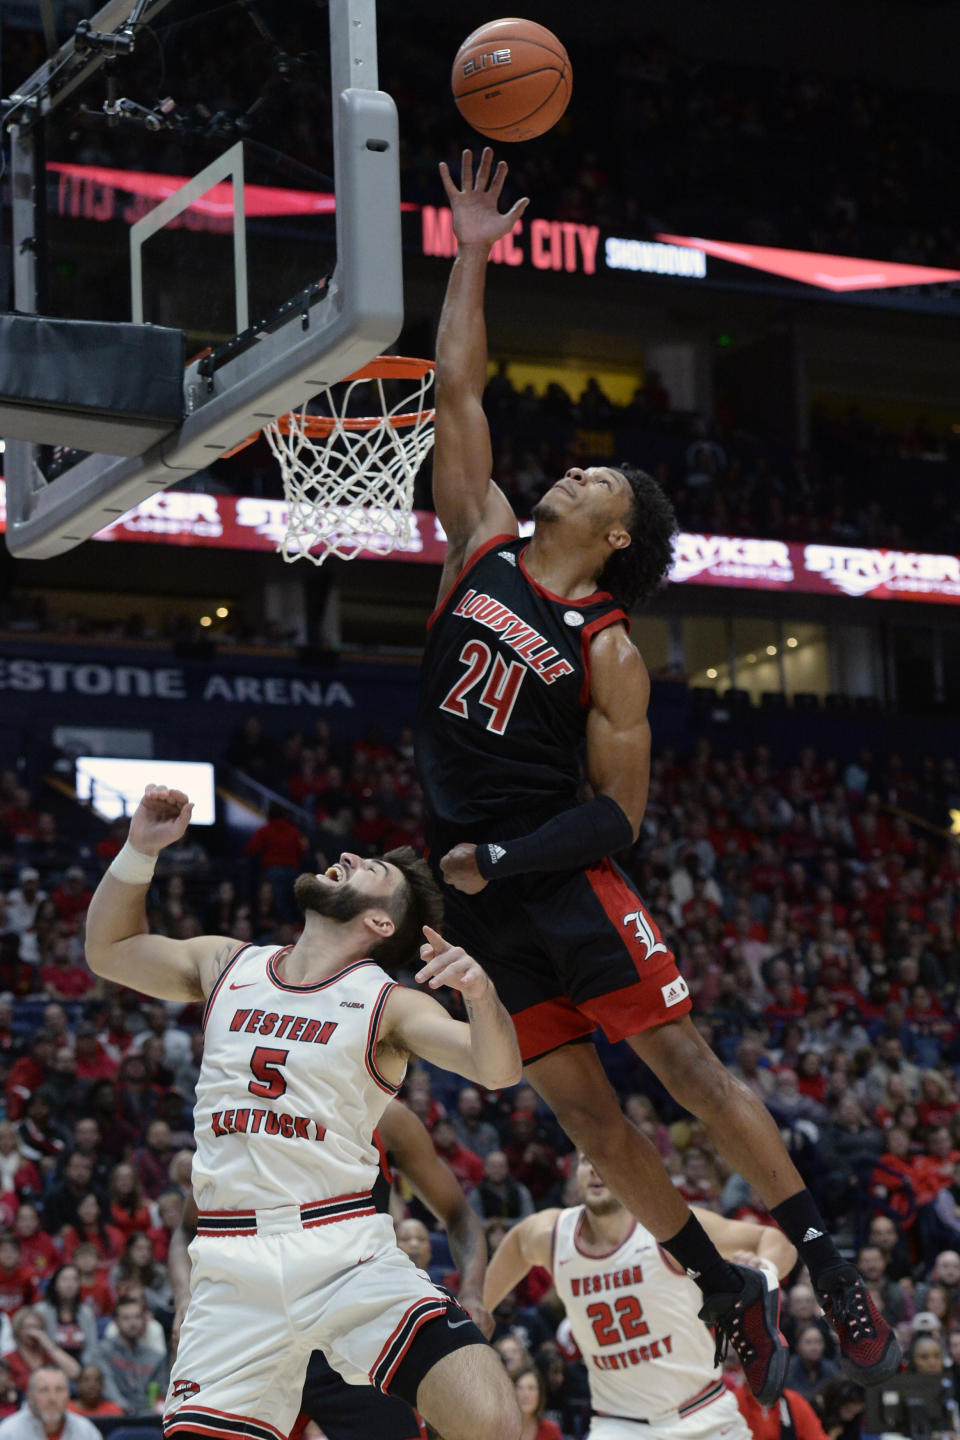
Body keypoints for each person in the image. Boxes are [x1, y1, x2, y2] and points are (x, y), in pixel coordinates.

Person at [417, 144, 898, 1402]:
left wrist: (509, 859)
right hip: (477, 901)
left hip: (556, 879)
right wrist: (470, 254)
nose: (569, 472)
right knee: (587, 1122)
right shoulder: (482, 544)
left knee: (687, 1070)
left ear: (615, 533)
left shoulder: (609, 650)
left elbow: (617, 815)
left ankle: (825, 1252)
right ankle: (720, 1279)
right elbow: (454, 391)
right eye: (570, 471)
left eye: (595, 480)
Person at [84, 783, 522, 1440]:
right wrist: (139, 852)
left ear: (380, 923)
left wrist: (482, 994)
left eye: (368, 868)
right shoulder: (227, 963)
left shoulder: (388, 1004)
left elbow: (496, 1068)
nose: (346, 855)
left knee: (490, 1419)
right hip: (232, 1262)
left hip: (342, 1246)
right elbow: (109, 952)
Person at [171, 1097, 494, 1440]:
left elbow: (459, 1215)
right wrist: (183, 1297)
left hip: (354, 1332)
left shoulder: (386, 1117)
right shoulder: (246, 1112)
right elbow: (188, 1228)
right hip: (257, 1331)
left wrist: (473, 1293)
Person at [484, 1151, 796, 1440]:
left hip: (702, 1415)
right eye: (585, 1159)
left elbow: (773, 1240)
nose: (594, 1168)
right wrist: (475, 1315)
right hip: (618, 1425)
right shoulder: (551, 1234)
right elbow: (516, 1247)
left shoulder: (669, 1227)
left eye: (605, 1158)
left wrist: (763, 1268)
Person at [87, 1295, 167, 1416]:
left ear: (144, 1320)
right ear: (116, 1322)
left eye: (137, 1317)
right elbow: (107, 1387)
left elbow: (161, 1393)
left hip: (148, 1417)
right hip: (114, 1415)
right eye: (126, 1318)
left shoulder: (155, 1357)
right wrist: (125, 1408)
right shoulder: (102, 1352)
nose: (133, 1323)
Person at [0, 1366, 101, 1440]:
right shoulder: (7, 1433)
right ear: (29, 1395)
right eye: (44, 1390)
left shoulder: (86, 1431)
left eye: (59, 1390)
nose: (52, 1398)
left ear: (68, 1395)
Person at [513, 1367, 561, 1440]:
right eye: (519, 1388)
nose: (525, 1395)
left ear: (540, 1394)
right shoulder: (502, 1430)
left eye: (531, 1388)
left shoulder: (551, 1431)